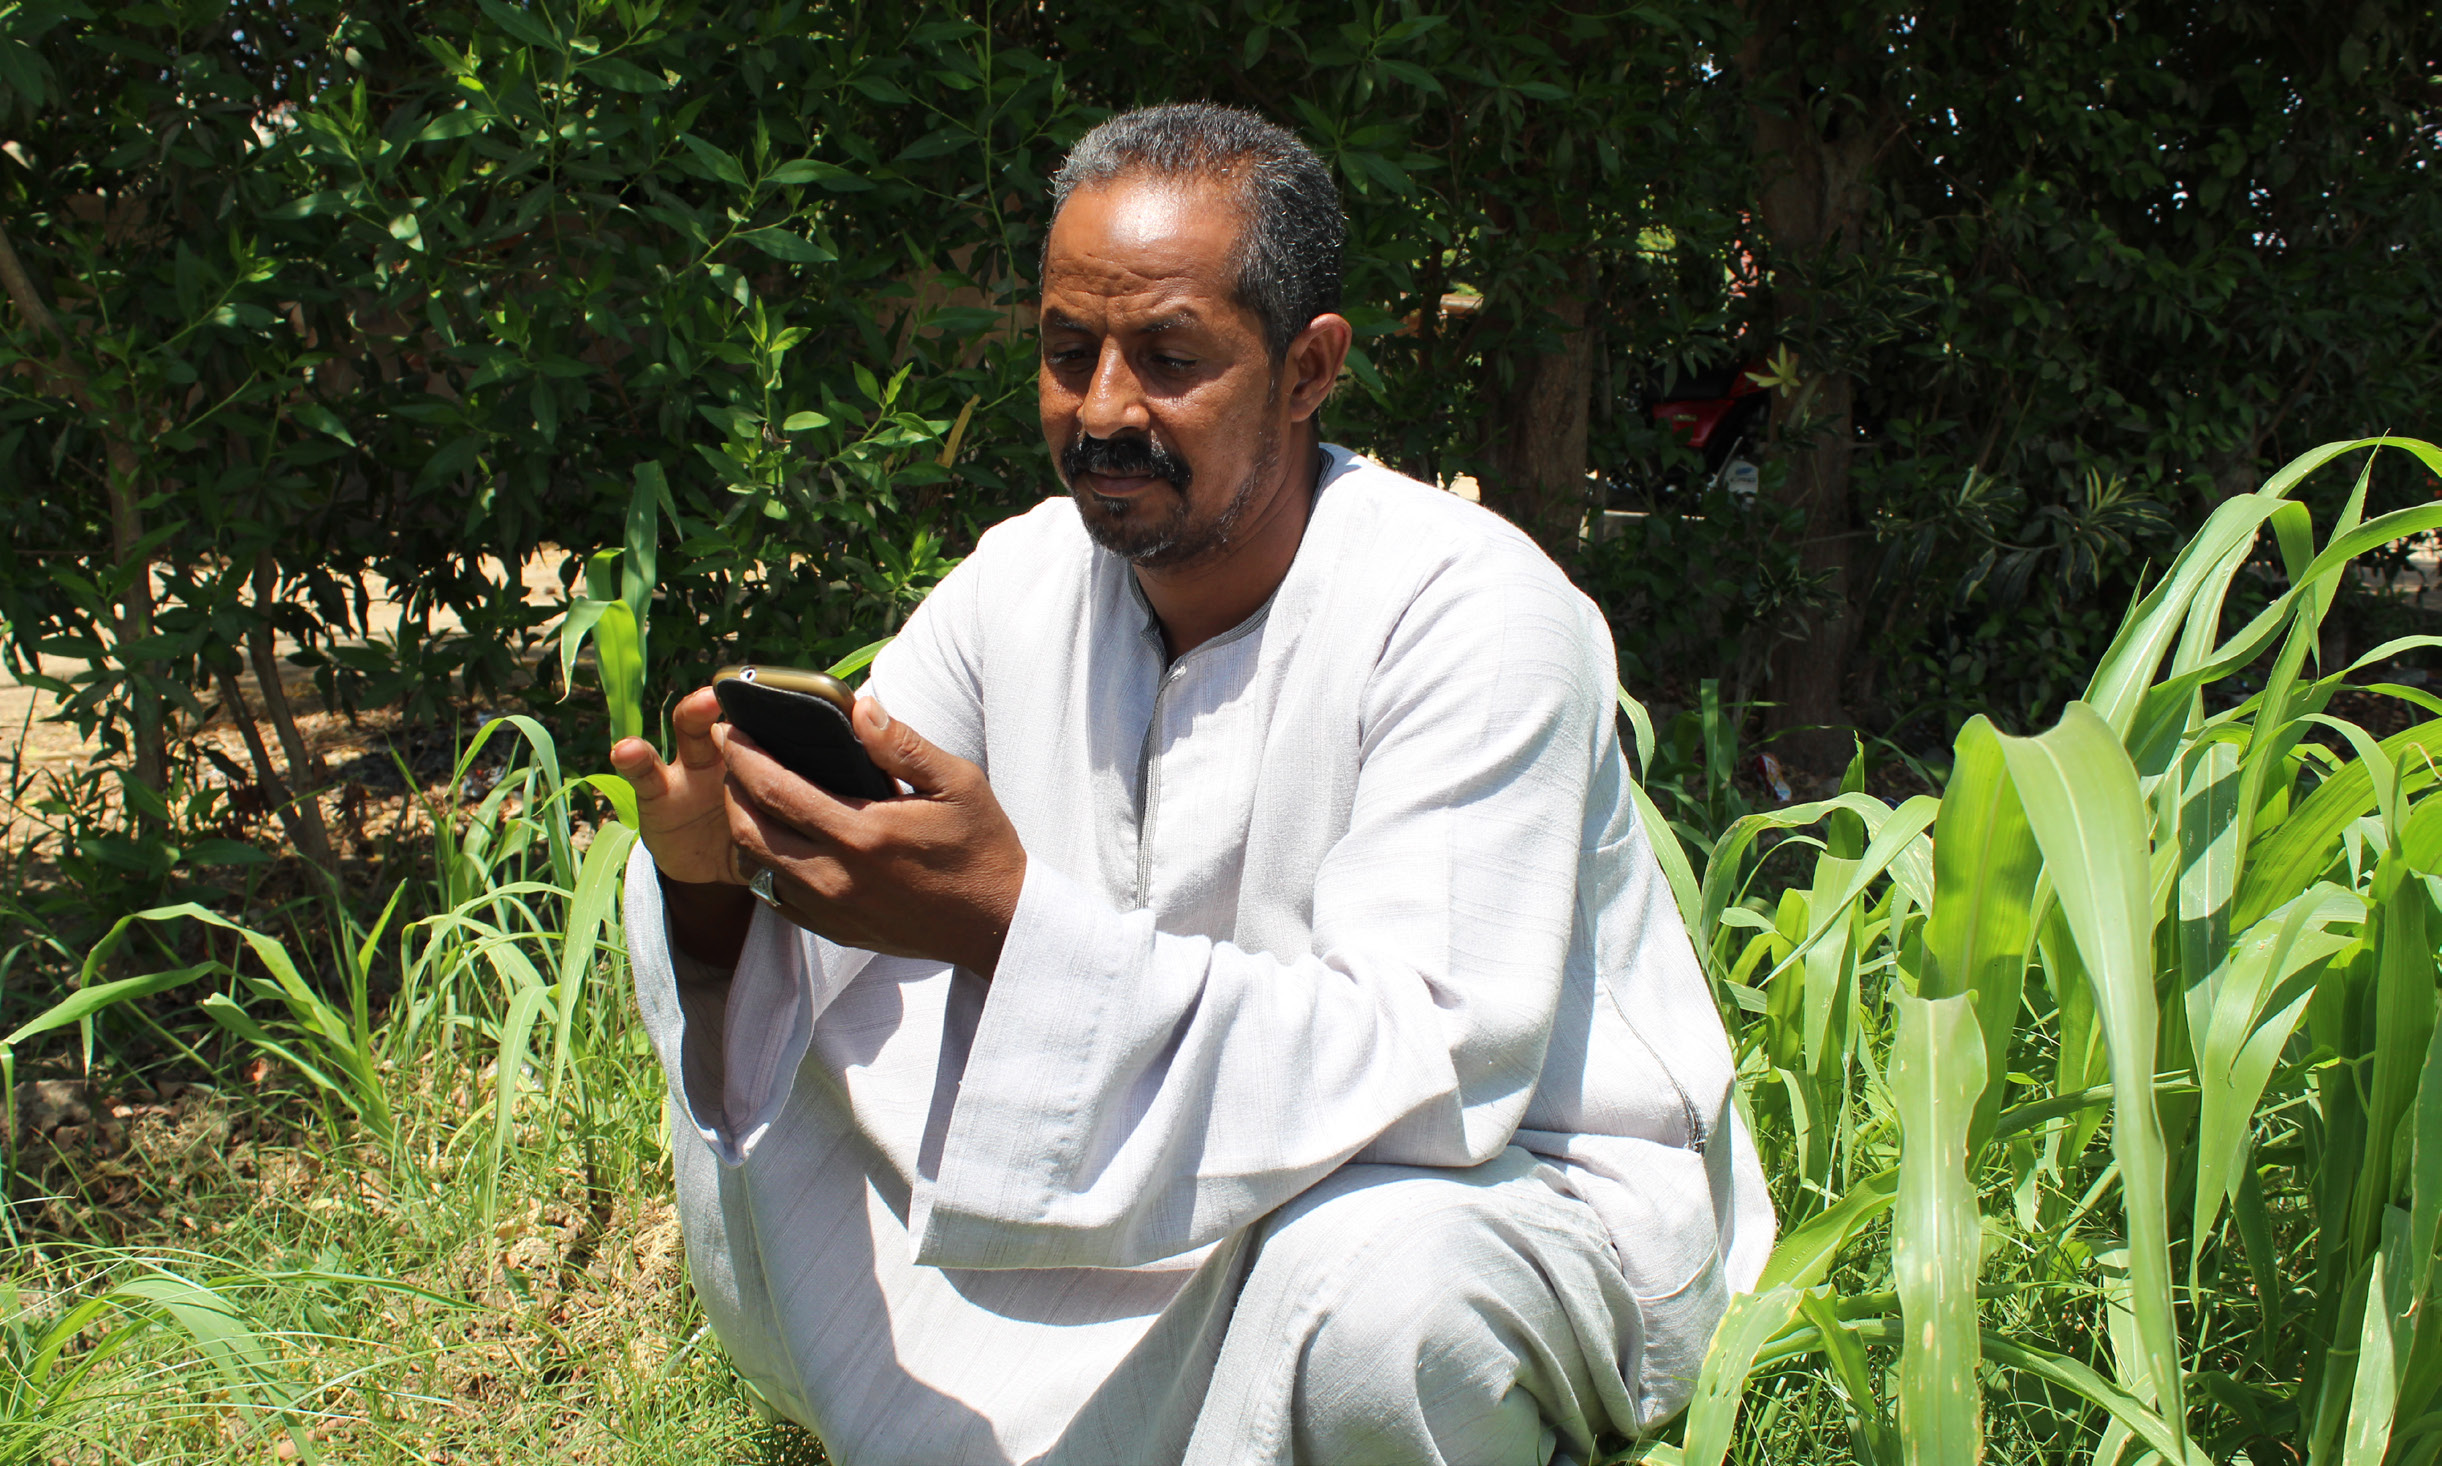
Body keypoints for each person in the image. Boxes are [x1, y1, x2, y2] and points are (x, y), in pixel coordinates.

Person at [611, 101, 1772, 1466]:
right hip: (1161, 1166)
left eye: (1168, 358)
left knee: (1385, 1309)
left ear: (1306, 367)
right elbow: (821, 936)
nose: (1102, 410)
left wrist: (1001, 921)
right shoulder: (1021, 581)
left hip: (1498, 1178)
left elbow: (1437, 1064)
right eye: (1065, 353)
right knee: (770, 1012)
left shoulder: (1467, 607)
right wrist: (715, 878)